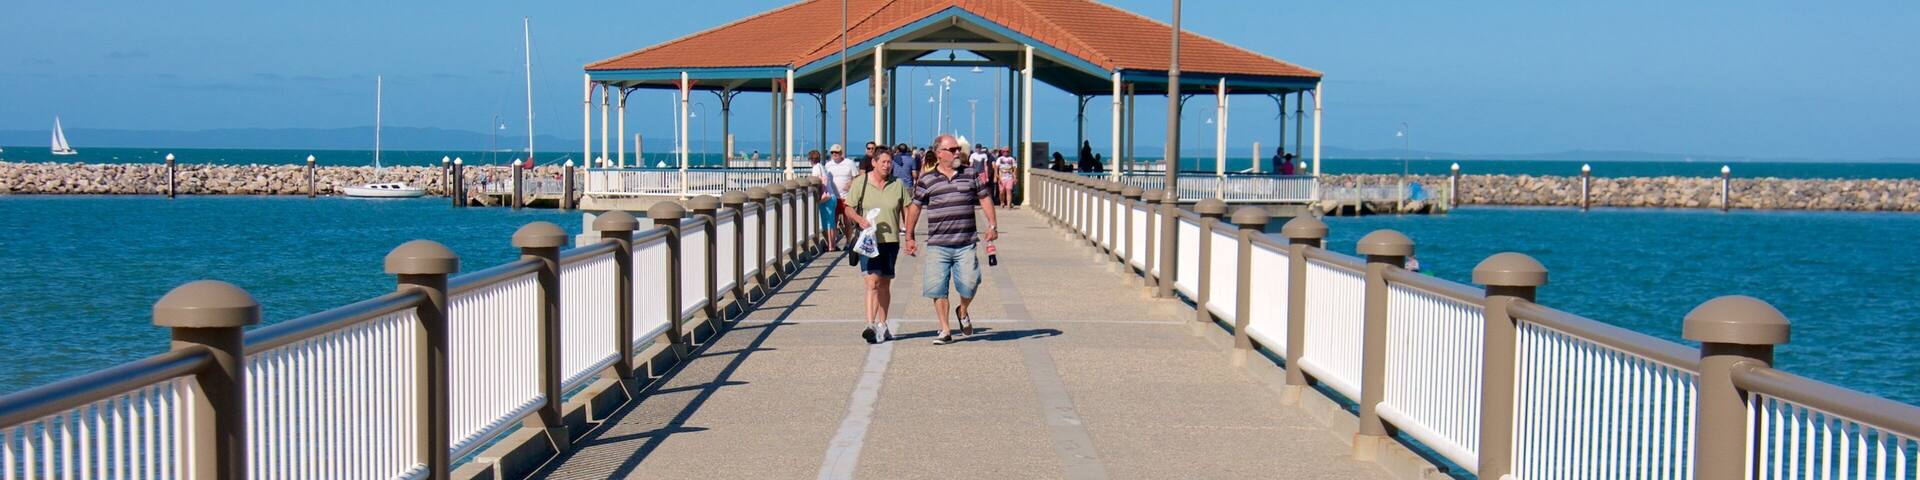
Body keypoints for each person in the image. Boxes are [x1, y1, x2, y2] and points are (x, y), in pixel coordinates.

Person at [904, 134, 998, 345]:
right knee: (937, 288)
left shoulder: (971, 173)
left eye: (958, 149)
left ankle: (962, 310)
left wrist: (992, 225)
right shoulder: (927, 179)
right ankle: (945, 329)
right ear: (939, 153)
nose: (958, 152)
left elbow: (984, 198)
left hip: (966, 243)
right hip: (938, 244)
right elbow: (915, 207)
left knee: (970, 284)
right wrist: (909, 236)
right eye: (953, 149)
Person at [844, 151, 912, 344]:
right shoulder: (861, 182)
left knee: (884, 283)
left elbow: (906, 209)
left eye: (889, 162)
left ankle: (883, 324)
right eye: (883, 162)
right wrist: (859, 219)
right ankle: (870, 325)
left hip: (890, 241)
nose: (886, 165)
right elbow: (848, 207)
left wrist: (909, 236)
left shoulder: (897, 184)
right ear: (874, 162)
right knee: (872, 282)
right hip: (869, 241)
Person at [821, 145, 859, 249]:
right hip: (833, 197)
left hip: (847, 197)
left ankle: (848, 242)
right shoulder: (828, 165)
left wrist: (851, 184)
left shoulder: (849, 163)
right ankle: (833, 244)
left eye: (837, 152)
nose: (835, 154)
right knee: (833, 221)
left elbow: (856, 177)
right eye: (832, 152)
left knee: (847, 221)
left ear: (841, 153)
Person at [807, 149, 840, 250]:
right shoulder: (822, 166)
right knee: (831, 223)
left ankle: (830, 246)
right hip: (832, 196)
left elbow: (816, 181)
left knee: (827, 224)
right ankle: (832, 245)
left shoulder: (816, 168)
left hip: (825, 198)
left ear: (810, 159)